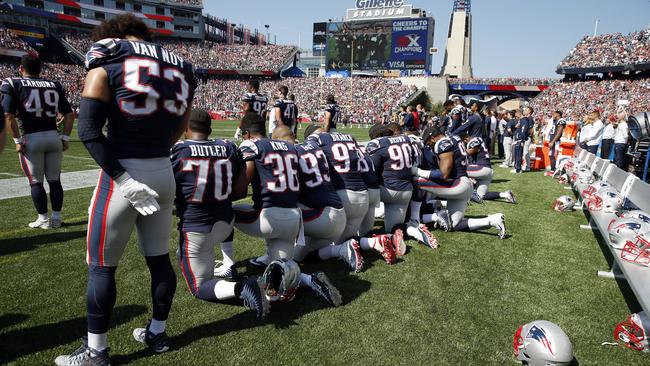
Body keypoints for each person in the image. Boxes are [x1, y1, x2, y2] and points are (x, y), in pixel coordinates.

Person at [56, 14, 197, 366]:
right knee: (158, 258)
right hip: (163, 171)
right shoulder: (181, 67)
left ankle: (96, 352)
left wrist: (124, 178)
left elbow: (88, 130)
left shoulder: (110, 53)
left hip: (123, 175)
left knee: (102, 267)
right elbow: (180, 128)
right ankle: (157, 332)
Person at [171, 109, 268, 318]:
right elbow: (241, 189)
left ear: (186, 128)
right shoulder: (227, 147)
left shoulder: (178, 150)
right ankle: (227, 262)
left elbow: (164, 190)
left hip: (197, 229)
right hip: (225, 223)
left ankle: (242, 287)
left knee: (200, 286)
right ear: (210, 128)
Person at [304, 124, 397, 265]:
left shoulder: (317, 140)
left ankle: (372, 241)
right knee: (348, 241)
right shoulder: (349, 139)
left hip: (342, 195)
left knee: (319, 249)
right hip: (363, 193)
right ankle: (386, 238)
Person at [2, 53, 75, 229]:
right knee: (55, 180)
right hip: (52, 136)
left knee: (36, 181)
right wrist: (65, 137)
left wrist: (18, 140)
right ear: (41, 69)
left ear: (21, 68)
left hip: (31, 137)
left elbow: (8, 115)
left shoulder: (13, 83)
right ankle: (56, 218)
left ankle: (43, 219)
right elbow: (70, 113)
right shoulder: (54, 84)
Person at [413, 126, 506, 238]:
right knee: (454, 224)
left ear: (433, 138)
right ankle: (492, 220)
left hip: (457, 185)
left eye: (429, 142)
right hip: (465, 184)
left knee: (415, 181)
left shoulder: (442, 143)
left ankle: (414, 221)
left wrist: (417, 171)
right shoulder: (455, 139)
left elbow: (444, 174)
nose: (429, 146)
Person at [235, 113, 301, 264]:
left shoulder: (251, 144)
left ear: (248, 134)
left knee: (224, 212)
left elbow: (241, 187)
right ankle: (308, 280)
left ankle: (227, 263)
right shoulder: (290, 146)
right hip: (293, 219)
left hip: (269, 217)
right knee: (282, 269)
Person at [463, 134, 516, 204]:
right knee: (480, 196)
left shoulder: (474, 141)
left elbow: (473, 150)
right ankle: (506, 195)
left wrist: (458, 152)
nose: (464, 143)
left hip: (482, 168)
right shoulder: (479, 139)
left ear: (466, 138)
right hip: (487, 172)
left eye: (464, 142)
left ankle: (458, 193)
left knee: (458, 170)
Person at [512, 107, 534, 174]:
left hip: (525, 137)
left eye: (526, 110)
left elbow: (530, 129)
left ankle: (526, 166)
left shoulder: (528, 119)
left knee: (524, 152)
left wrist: (526, 137)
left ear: (530, 112)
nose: (525, 111)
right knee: (522, 152)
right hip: (523, 137)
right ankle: (522, 166)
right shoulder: (523, 119)